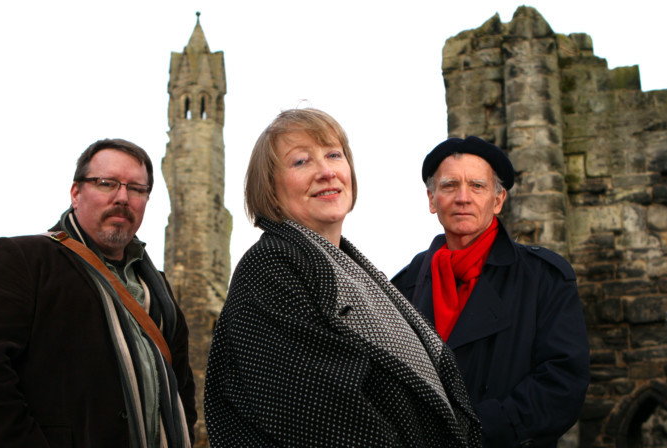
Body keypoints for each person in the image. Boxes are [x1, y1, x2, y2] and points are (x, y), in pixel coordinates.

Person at [204, 108, 481, 447]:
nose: (325, 172)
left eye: (333, 155)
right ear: (271, 187)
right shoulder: (270, 266)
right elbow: (324, 418)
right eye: (301, 162)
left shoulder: (356, 270)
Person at [0, 139, 196, 447]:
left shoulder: (159, 290)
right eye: (106, 183)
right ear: (76, 193)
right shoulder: (23, 259)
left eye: (136, 189)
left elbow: (182, 391)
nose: (122, 197)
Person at [391, 136, 590, 447]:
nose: (463, 197)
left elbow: (562, 384)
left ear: (498, 201)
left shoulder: (544, 277)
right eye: (449, 186)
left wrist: (475, 429)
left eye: (477, 186)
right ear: (432, 199)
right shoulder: (403, 286)